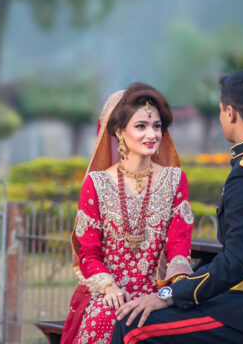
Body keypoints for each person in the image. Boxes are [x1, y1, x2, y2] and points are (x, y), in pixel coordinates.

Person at [111, 70, 243, 344]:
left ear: (230, 113)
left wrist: (168, 295)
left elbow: (237, 263)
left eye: (222, 111)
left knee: (132, 327)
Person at [60, 83, 196, 344]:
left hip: (156, 295)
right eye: (141, 126)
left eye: (157, 126)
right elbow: (89, 253)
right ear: (120, 131)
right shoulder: (97, 183)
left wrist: (167, 294)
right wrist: (109, 287)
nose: (151, 135)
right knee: (105, 319)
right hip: (110, 294)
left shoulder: (175, 180)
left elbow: (179, 249)